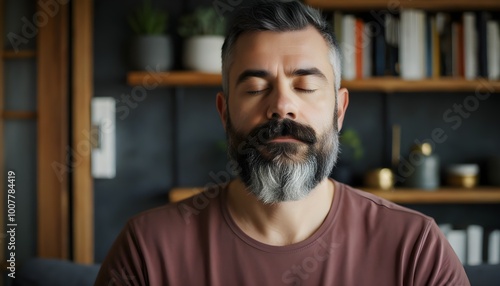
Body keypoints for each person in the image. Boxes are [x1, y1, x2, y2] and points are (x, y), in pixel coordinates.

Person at [95, 1, 470, 285]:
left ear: (339, 110)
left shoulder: (415, 249)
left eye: (305, 86)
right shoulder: (147, 249)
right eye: (256, 88)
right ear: (224, 113)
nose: (281, 106)